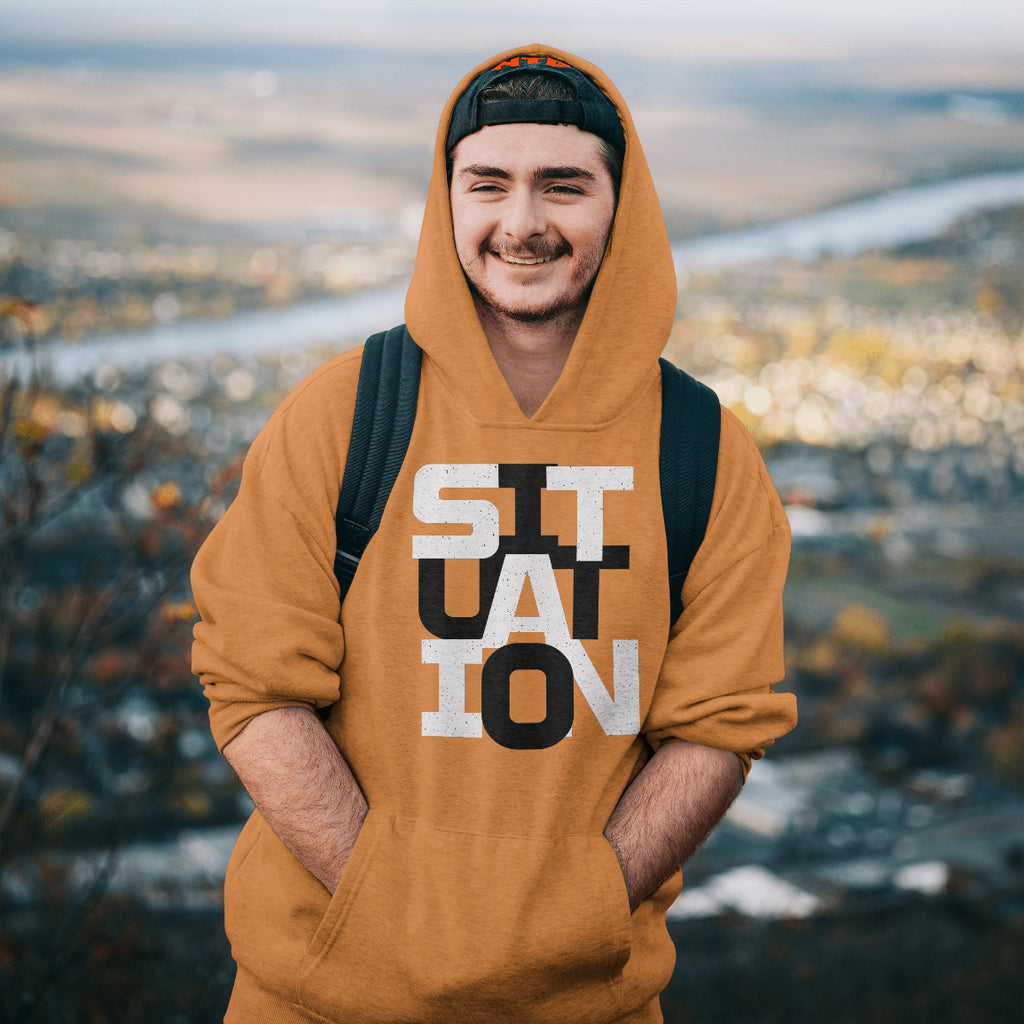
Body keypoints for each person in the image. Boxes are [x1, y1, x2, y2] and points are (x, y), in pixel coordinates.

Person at [191, 44, 797, 1024]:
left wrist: (581, 906)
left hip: (588, 1006)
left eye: (564, 185)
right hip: (318, 1001)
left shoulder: (701, 451)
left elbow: (718, 724)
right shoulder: (342, 416)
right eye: (489, 184)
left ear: (620, 204)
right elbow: (255, 690)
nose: (522, 223)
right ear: (448, 203)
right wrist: (396, 906)